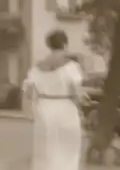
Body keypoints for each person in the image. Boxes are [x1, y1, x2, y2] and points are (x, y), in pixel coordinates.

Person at [23, 29, 84, 170]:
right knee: (68, 149)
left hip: (44, 107)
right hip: (66, 108)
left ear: (49, 45)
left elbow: (28, 91)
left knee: (45, 150)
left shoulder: (37, 67)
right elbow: (76, 93)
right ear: (64, 44)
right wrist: (81, 109)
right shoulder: (71, 67)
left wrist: (29, 110)